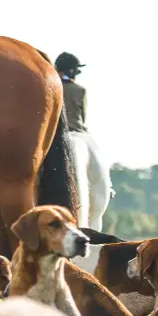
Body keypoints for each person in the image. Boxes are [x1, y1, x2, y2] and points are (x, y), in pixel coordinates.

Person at [55, 52, 112, 230]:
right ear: (73, 71)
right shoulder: (80, 90)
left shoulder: (52, 88)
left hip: (57, 134)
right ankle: (108, 187)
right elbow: (83, 118)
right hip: (78, 131)